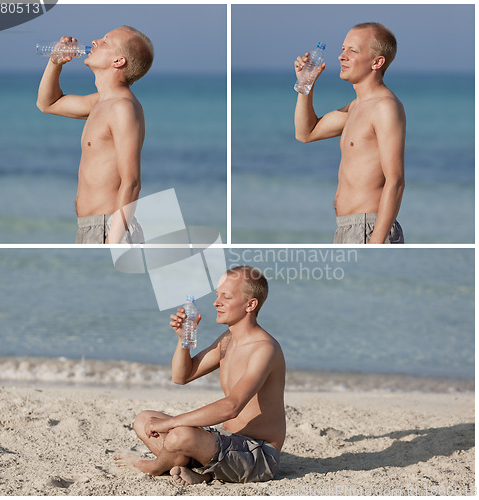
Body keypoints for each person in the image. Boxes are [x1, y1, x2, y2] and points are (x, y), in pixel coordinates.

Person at [114, 265, 286, 485]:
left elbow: (231, 407)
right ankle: (200, 472)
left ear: (250, 304)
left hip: (258, 456)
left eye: (226, 296)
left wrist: (171, 424)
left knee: (179, 434)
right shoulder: (227, 340)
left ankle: (154, 467)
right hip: (225, 445)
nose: (216, 302)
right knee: (144, 420)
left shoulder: (264, 348)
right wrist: (183, 341)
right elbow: (182, 376)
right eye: (217, 295)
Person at [36, 26, 154, 244]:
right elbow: (47, 104)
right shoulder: (100, 102)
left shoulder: (122, 107)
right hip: (91, 228)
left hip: (109, 228)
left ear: (118, 61)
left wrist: (113, 239)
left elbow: (132, 182)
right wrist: (55, 63)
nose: (95, 41)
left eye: (106, 42)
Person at [294, 22, 405, 244]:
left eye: (352, 51)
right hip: (347, 229)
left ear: (377, 62)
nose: (341, 57)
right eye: (343, 49)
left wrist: (376, 242)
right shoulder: (355, 107)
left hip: (370, 229)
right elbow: (306, 133)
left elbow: (396, 180)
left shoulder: (384, 107)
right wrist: (306, 85)